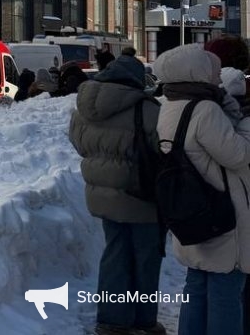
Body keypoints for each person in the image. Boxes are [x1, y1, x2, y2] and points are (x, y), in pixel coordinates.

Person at [153, 43, 250, 335]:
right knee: (226, 292)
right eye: (213, 70)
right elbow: (238, 155)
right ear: (197, 71)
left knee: (196, 287)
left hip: (193, 209)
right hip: (222, 212)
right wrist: (246, 124)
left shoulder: (171, 104)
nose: (218, 76)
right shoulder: (206, 110)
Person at [68, 51, 164, 335]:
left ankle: (112, 320)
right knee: (146, 258)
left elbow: (80, 145)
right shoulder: (147, 109)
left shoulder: (83, 109)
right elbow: (163, 148)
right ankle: (143, 320)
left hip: (102, 195)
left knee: (115, 254)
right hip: (141, 195)